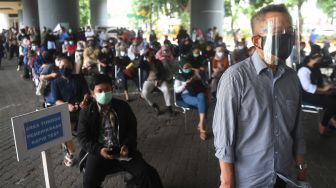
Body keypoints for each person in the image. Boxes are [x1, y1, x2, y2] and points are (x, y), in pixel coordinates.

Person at [213, 4, 308, 187]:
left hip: (285, 177)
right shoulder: (235, 78)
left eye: (289, 32)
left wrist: (302, 170)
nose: (286, 38)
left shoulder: (292, 79)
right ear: (257, 40)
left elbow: (298, 131)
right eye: (278, 32)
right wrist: (227, 182)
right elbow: (224, 138)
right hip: (250, 180)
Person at [77, 74, 163, 188]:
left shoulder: (123, 106)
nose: (104, 93)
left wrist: (127, 145)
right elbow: (83, 138)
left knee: (148, 173)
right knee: (89, 182)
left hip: (123, 150)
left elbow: (132, 129)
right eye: (100, 90)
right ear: (92, 93)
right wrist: (99, 150)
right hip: (99, 152)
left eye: (107, 89)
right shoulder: (86, 113)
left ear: (112, 89)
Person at [51, 58, 90, 166]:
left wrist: (85, 100)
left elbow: (86, 92)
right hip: (68, 112)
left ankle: (90, 149)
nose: (64, 69)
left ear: (71, 67)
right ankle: (70, 152)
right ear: (58, 68)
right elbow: (57, 100)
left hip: (83, 109)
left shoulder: (79, 78)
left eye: (67, 67)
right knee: (63, 131)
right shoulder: (55, 82)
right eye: (62, 67)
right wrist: (67, 105)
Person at [297, 44, 336, 135]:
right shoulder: (303, 70)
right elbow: (307, 87)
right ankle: (323, 126)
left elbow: (319, 81)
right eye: (319, 56)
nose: (321, 58)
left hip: (317, 92)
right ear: (313, 57)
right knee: (333, 103)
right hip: (308, 95)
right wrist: (324, 90)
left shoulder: (315, 67)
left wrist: (328, 86)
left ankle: (333, 120)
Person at [174, 63, 207, 140]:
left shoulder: (194, 73)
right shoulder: (179, 77)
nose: (187, 69)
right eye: (185, 68)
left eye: (188, 68)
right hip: (186, 95)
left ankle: (201, 124)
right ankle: (202, 127)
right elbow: (176, 90)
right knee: (203, 103)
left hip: (197, 92)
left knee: (202, 96)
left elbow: (202, 83)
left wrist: (196, 74)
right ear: (182, 68)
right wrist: (185, 84)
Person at [140, 48, 173, 116]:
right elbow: (139, 65)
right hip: (149, 80)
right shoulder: (144, 63)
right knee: (144, 93)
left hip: (159, 80)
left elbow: (163, 72)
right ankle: (155, 106)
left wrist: (160, 80)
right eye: (148, 54)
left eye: (150, 53)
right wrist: (142, 55)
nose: (149, 55)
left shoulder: (158, 61)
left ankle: (169, 108)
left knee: (166, 89)